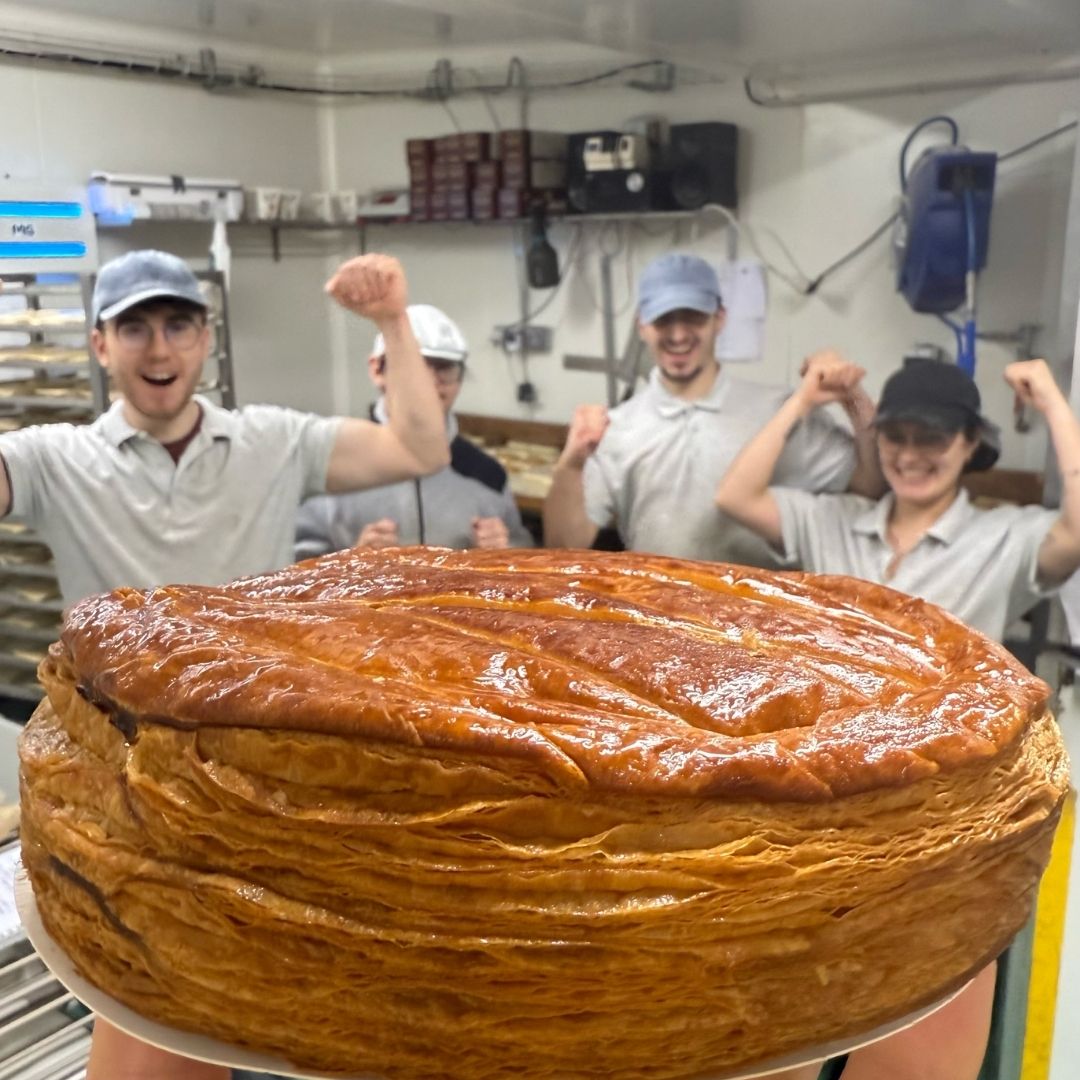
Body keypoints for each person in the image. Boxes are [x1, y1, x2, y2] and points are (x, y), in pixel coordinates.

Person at [2, 247, 450, 1080]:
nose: (158, 348)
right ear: (101, 346)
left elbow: (419, 448)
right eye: (133, 327)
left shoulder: (273, 441)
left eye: (177, 324)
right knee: (156, 1017)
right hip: (127, 808)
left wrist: (393, 319)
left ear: (206, 340)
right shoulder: (55, 458)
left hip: (264, 799)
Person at [715, 350, 1080, 1080]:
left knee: (910, 1046)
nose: (912, 457)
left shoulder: (1002, 538)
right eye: (897, 438)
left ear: (970, 445)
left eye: (933, 440)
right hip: (818, 817)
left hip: (937, 830)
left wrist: (1050, 402)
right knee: (770, 1039)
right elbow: (735, 495)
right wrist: (805, 399)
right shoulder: (835, 522)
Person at [542, 252, 883, 563]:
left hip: (759, 617)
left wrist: (852, 396)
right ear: (641, 326)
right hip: (658, 614)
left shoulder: (778, 412)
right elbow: (562, 547)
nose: (678, 335)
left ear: (719, 319)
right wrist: (570, 465)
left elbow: (869, 490)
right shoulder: (617, 428)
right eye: (663, 320)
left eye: (693, 318)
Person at [295, 303, 533, 559]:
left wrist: (504, 553)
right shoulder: (333, 464)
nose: (429, 383)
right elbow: (290, 568)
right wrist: (352, 559)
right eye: (415, 367)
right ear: (377, 370)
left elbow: (526, 553)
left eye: (444, 368)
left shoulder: (486, 474)